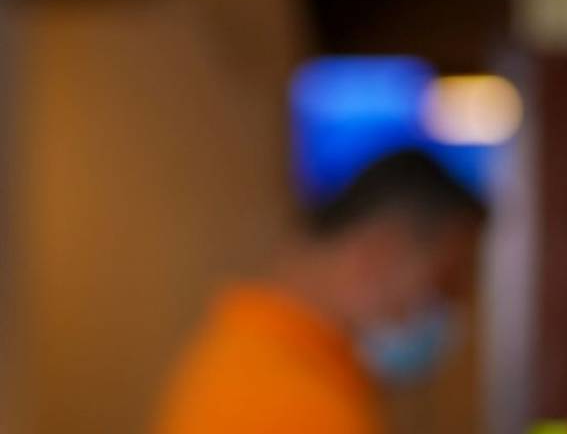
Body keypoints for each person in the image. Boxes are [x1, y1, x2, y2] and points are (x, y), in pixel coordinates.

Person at [153, 151, 485, 434]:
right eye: (446, 282)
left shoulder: (253, 354)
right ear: (379, 255)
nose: (455, 306)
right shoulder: (295, 404)